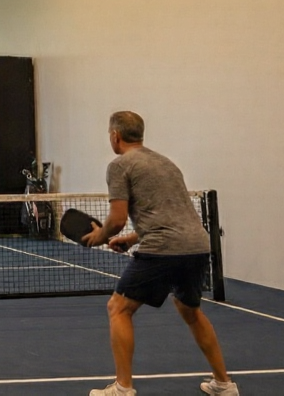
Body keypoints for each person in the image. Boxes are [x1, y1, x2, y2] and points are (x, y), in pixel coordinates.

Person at [83, 111, 237, 396]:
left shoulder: (119, 165)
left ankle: (122, 388)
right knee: (190, 310)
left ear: (115, 136)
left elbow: (116, 219)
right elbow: (171, 213)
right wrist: (132, 238)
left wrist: (99, 236)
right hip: (197, 245)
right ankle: (224, 384)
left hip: (164, 248)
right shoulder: (167, 163)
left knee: (118, 308)